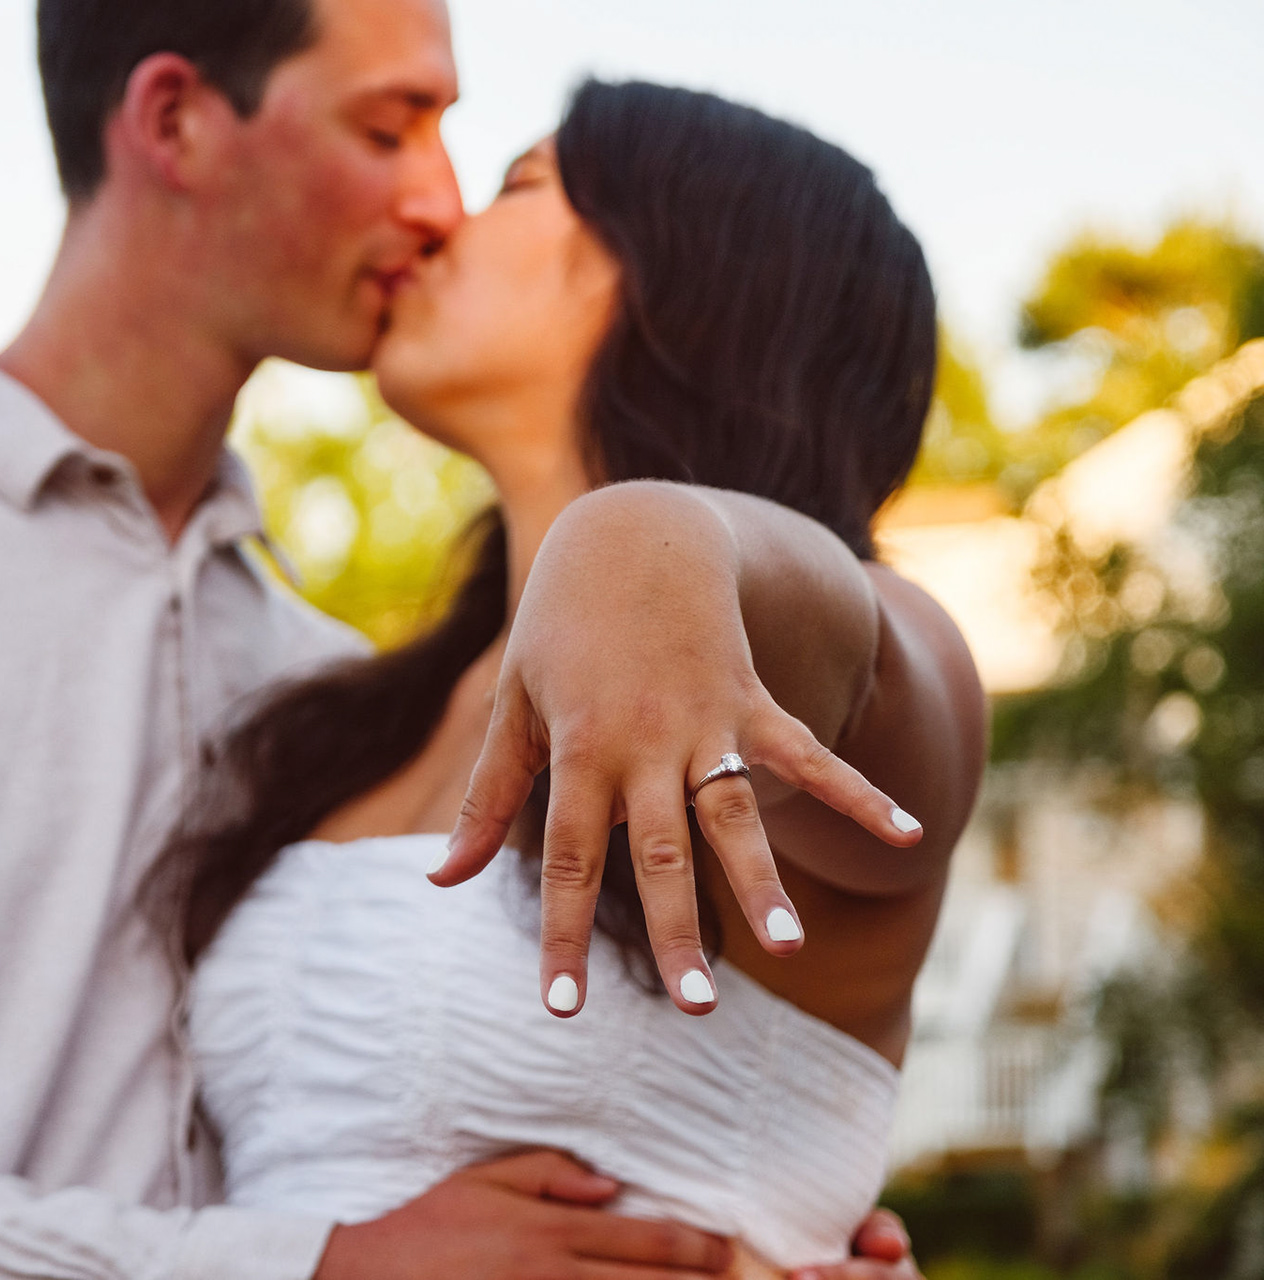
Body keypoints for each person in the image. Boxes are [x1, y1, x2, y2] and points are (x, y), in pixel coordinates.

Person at [0, 1, 932, 1276]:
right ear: (174, 123)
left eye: (476, 158)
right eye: (388, 129)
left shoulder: (318, 684)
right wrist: (321, 1264)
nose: (434, 205)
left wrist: (768, 1193)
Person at [160, 79, 987, 1278]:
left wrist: (646, 537)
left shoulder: (817, 672)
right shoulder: (347, 719)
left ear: (688, 274)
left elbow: (871, 660)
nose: (440, 220)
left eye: (519, 186)